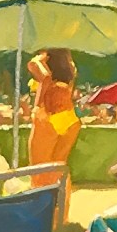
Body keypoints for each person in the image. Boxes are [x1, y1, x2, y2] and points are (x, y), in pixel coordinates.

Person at [27, 49, 81, 220]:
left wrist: (37, 106)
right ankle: (61, 217)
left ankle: (42, 217)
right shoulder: (68, 66)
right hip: (69, 118)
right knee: (59, 169)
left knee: (39, 171)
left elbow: (45, 77)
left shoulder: (42, 62)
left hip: (48, 116)